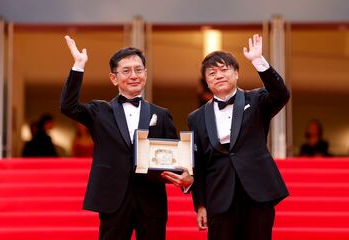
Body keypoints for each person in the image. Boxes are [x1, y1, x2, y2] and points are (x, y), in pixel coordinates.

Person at [61, 35, 193, 240]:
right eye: (126, 71)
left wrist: (186, 176)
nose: (133, 75)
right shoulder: (99, 110)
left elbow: (173, 155)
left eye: (138, 70)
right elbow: (68, 107)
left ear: (146, 74)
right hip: (113, 199)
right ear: (114, 78)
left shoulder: (162, 114)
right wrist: (78, 66)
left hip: (151, 200)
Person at [187, 34, 290, 240]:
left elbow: (281, 94)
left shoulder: (257, 100)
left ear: (236, 74)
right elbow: (197, 163)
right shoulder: (195, 118)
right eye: (212, 73)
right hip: (219, 196)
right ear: (206, 81)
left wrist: (258, 61)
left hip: (257, 191)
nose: (218, 75)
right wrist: (200, 204)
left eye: (224, 70)